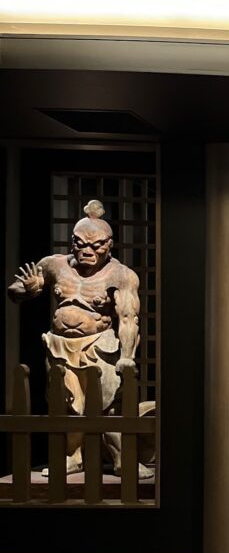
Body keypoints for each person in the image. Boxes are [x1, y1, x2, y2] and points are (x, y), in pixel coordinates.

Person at [7, 199, 150, 479]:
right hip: (60, 346)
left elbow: (128, 318)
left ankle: (122, 458)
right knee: (68, 404)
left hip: (101, 346)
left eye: (96, 246)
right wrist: (28, 289)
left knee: (107, 405)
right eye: (81, 244)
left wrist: (127, 356)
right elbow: (15, 291)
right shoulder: (54, 265)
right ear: (72, 242)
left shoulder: (122, 275)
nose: (87, 251)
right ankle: (72, 457)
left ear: (109, 245)